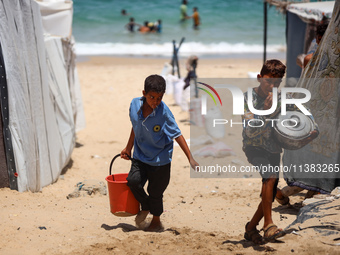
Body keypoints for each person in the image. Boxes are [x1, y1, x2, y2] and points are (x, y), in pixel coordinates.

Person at [242, 59, 318, 244]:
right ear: (260, 78)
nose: (272, 86)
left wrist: (312, 127)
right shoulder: (248, 98)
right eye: (269, 81)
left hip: (274, 147)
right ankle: (269, 225)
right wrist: (265, 111)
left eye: (277, 83)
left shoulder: (282, 97)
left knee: (271, 188)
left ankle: (251, 228)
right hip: (254, 147)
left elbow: (303, 110)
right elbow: (250, 129)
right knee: (269, 177)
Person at [121, 74, 199, 232]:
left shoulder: (164, 113)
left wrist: (190, 158)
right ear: (144, 93)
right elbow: (136, 126)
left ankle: (156, 221)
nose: (155, 102)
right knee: (133, 181)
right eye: (152, 97)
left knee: (155, 192)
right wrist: (128, 147)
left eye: (159, 98)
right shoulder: (134, 105)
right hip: (140, 156)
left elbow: (177, 134)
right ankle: (146, 206)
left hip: (160, 160)